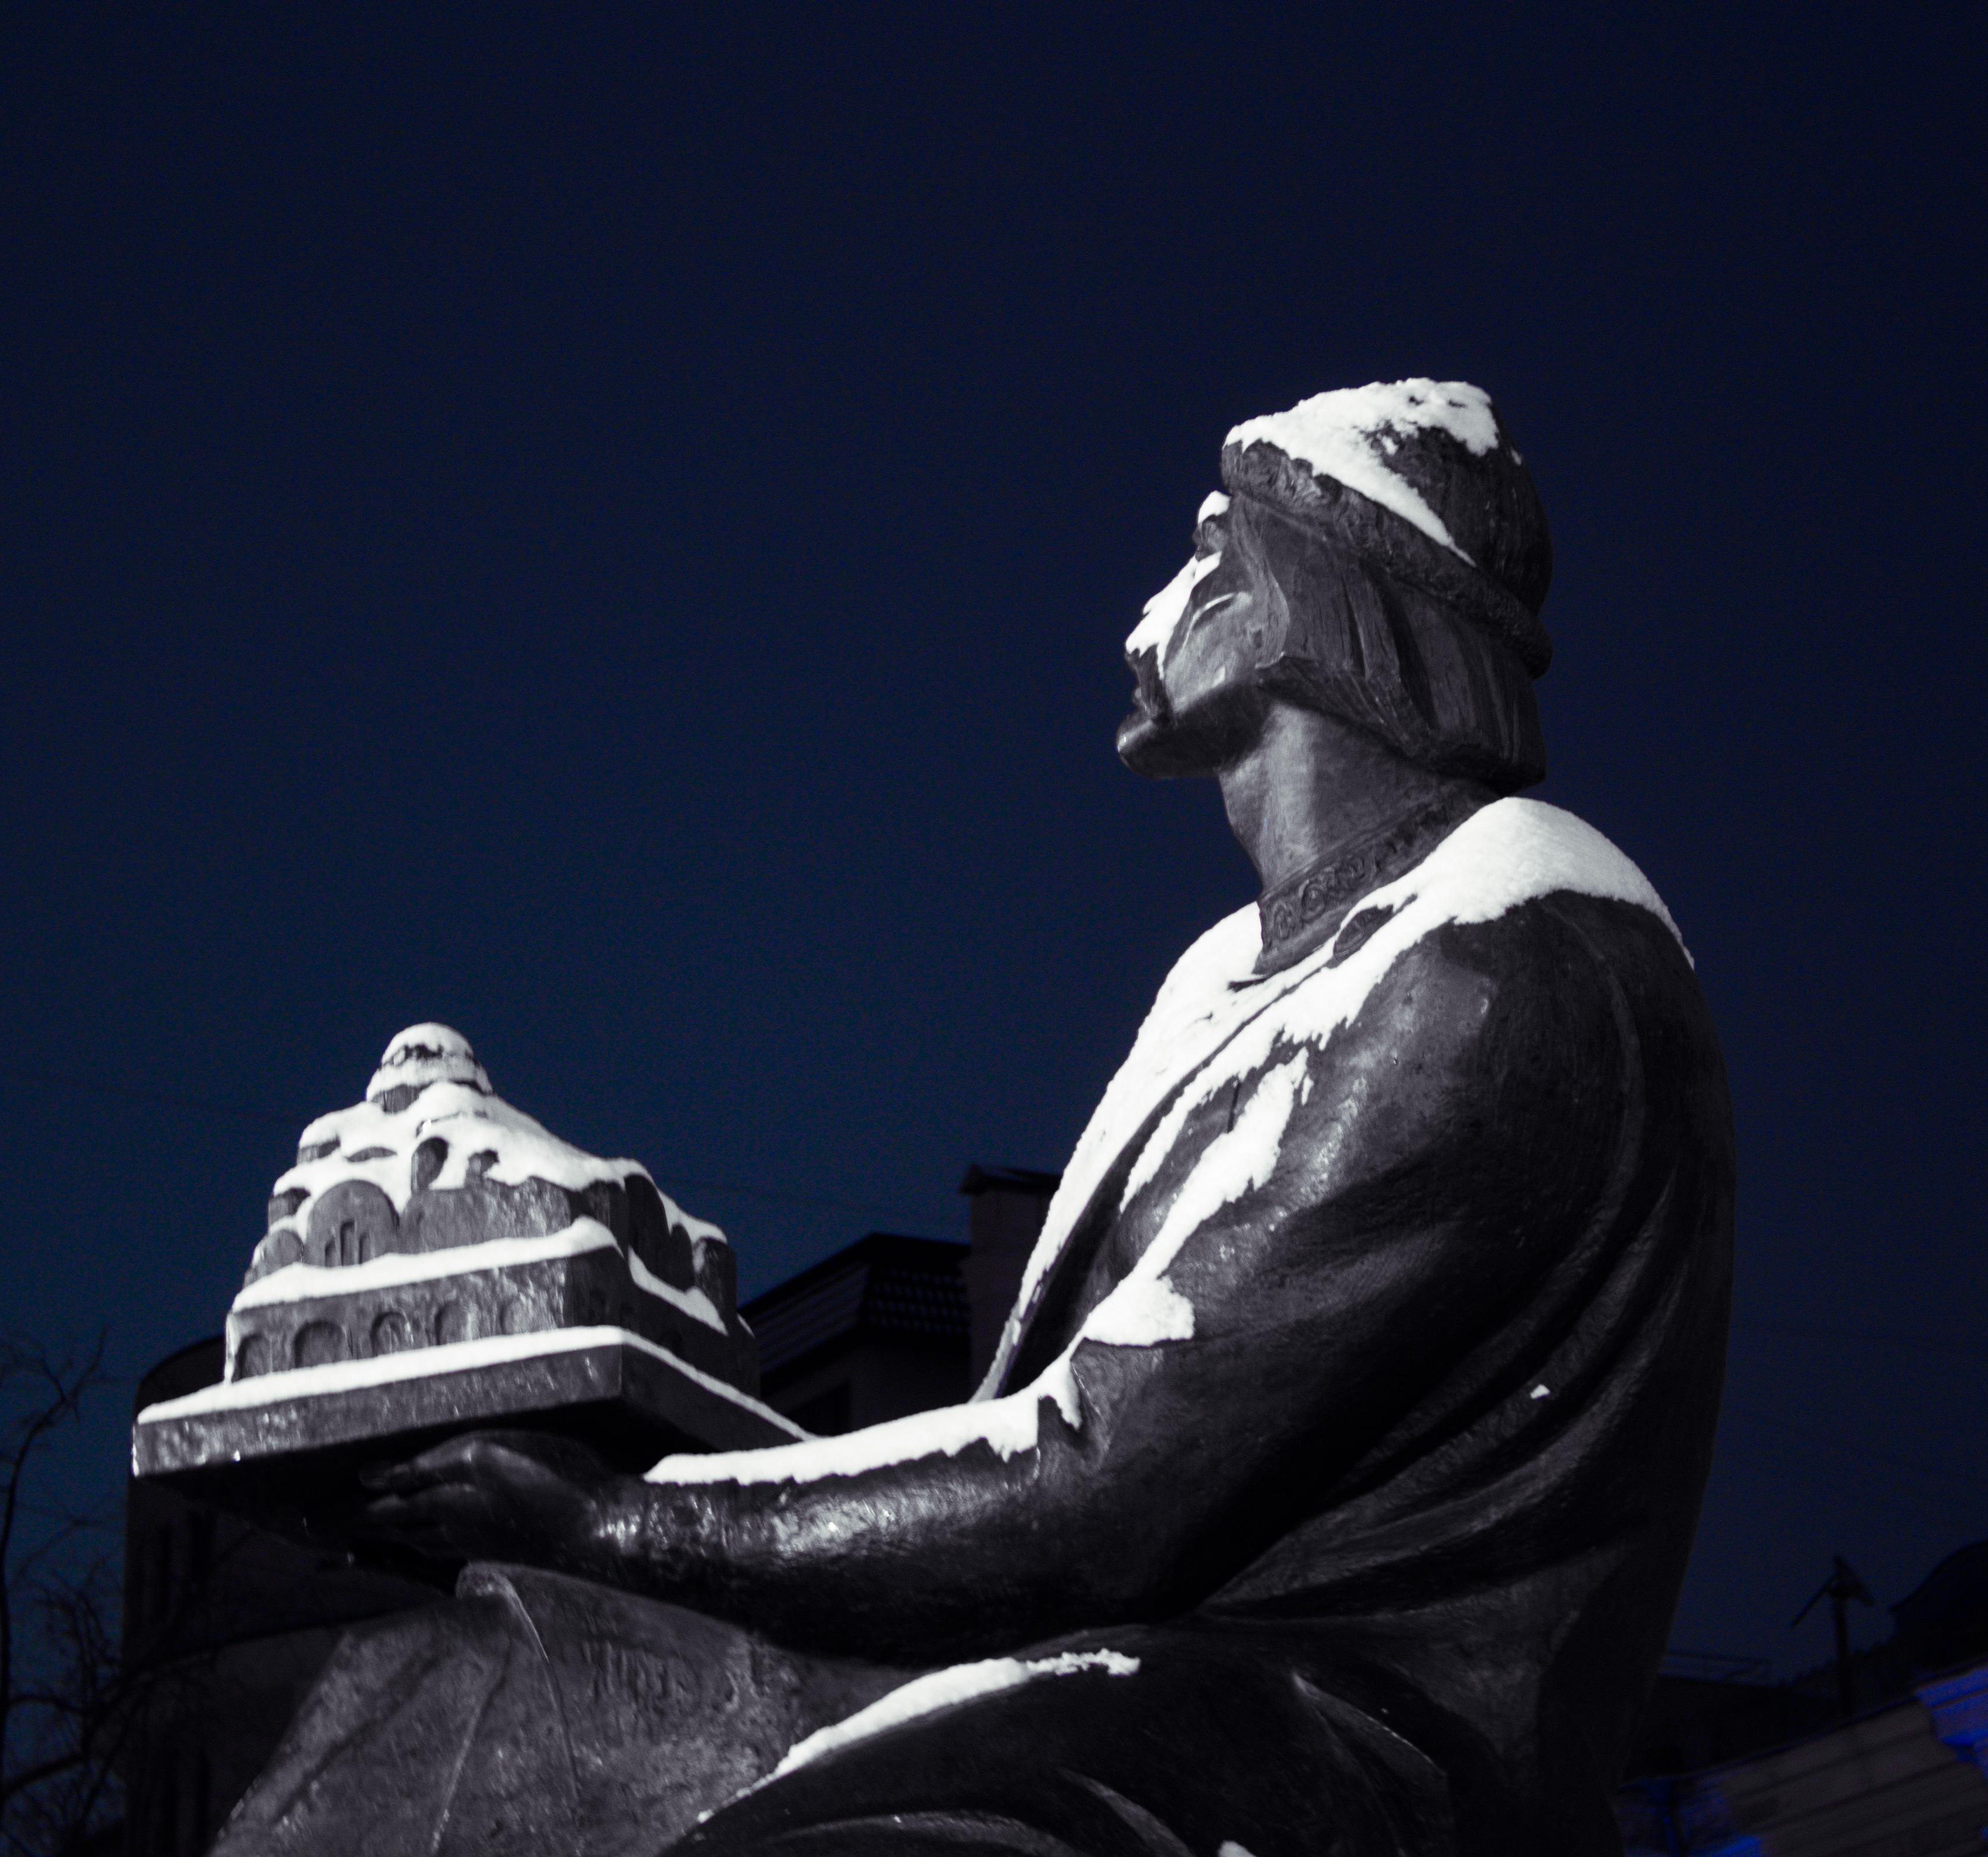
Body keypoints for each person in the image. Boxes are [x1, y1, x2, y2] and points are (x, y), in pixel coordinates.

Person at [224, 379, 1734, 1857]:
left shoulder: (1493, 965)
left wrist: (616, 1523)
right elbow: (1049, 1450)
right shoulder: (1243, 971)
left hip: (1343, 1753)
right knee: (464, 1694)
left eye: (1209, 555)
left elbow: (1100, 1487)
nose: (1147, 615)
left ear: (1326, 599)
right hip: (1122, 1685)